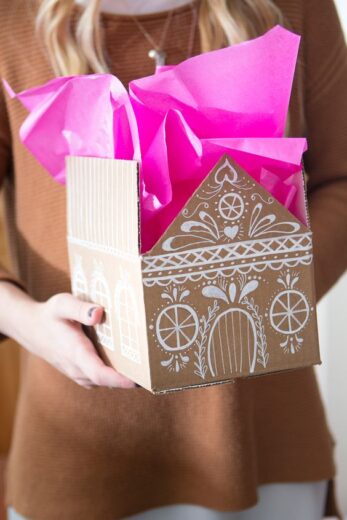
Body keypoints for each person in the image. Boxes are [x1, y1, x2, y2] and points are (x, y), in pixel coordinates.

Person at [0, 0, 346, 519]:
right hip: (79, 449)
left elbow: (340, 181)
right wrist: (23, 320)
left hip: (263, 437)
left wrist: (275, 290)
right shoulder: (11, 20)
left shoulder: (294, 6)